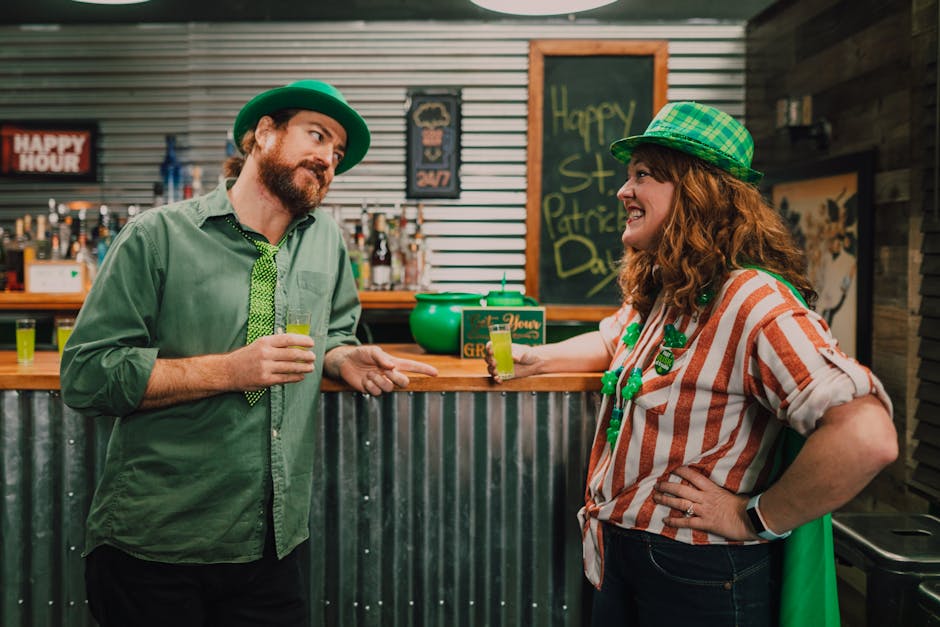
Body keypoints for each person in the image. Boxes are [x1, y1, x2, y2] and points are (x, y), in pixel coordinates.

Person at [485, 101, 897, 626]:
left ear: (699, 194)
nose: (623, 191)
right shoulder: (675, 290)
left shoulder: (752, 299)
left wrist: (754, 518)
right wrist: (537, 360)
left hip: (699, 570)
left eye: (643, 176)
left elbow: (867, 437)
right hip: (627, 553)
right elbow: (615, 340)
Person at [61, 79, 438, 627]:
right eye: (317, 135)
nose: (328, 158)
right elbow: (85, 375)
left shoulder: (325, 242)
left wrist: (339, 356)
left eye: (336, 152)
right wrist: (229, 370)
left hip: (273, 548)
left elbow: (330, 331)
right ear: (263, 134)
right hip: (156, 547)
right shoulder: (156, 237)